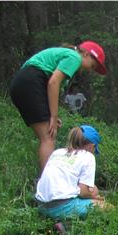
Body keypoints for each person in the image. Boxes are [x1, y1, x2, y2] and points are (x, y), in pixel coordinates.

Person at [10, 41, 107, 170]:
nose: (91, 70)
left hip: (23, 83)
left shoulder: (67, 55)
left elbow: (49, 86)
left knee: (47, 135)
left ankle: (47, 181)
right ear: (86, 54)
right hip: (31, 82)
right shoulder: (75, 57)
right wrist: (53, 117)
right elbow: (53, 83)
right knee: (48, 137)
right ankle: (48, 184)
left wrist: (52, 115)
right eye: (93, 65)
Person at [35, 125, 108, 224]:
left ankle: (56, 222)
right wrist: (94, 194)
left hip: (41, 206)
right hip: (62, 207)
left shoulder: (58, 152)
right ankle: (66, 224)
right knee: (107, 207)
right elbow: (83, 192)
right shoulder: (88, 156)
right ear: (91, 146)